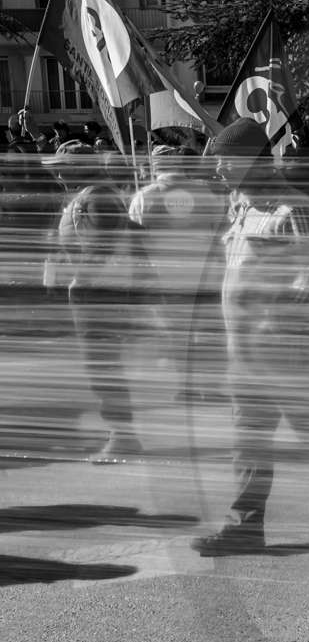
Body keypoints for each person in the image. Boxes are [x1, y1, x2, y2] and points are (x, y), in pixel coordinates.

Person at [191, 118, 309, 555]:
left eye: (223, 162)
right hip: (247, 359)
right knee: (248, 443)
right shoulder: (241, 206)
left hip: (289, 357)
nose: (216, 170)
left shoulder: (293, 210)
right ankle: (244, 528)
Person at [56, 184, 150, 461]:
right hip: (104, 289)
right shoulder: (98, 196)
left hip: (99, 293)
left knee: (104, 368)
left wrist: (86, 273)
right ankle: (121, 434)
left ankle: (122, 437)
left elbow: (102, 243)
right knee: (104, 368)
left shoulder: (95, 198)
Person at [127, 145, 228, 401]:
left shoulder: (144, 196)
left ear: (154, 166)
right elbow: (220, 232)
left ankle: (188, 388)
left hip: (167, 277)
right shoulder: (206, 193)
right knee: (210, 332)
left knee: (178, 335)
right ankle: (213, 387)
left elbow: (133, 239)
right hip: (207, 276)